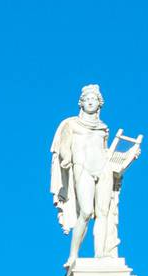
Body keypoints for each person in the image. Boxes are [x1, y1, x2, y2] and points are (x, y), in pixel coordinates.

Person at [47, 84, 140, 264]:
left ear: (99, 104)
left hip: (103, 168)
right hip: (83, 167)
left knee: (103, 212)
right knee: (86, 211)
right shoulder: (71, 124)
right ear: (81, 103)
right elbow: (64, 147)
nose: (91, 102)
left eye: (94, 99)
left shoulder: (103, 128)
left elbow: (106, 153)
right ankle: (73, 255)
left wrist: (129, 157)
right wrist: (66, 158)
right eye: (87, 99)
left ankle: (102, 256)